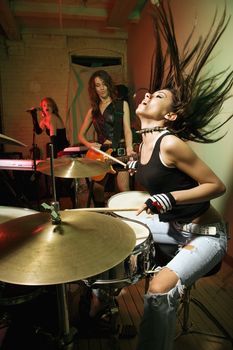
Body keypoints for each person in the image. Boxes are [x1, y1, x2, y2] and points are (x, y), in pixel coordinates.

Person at [125, 2, 233, 350]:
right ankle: (100, 307)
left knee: (159, 288)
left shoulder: (170, 142)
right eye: (149, 93)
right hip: (172, 226)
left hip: (206, 234)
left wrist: (167, 198)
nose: (147, 96)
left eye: (157, 96)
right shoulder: (144, 142)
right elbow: (157, 176)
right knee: (117, 231)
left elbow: (217, 186)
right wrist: (134, 166)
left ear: (169, 116)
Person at [78, 70, 135, 207]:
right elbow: (81, 135)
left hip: (119, 151)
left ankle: (126, 221)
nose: (102, 88)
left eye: (104, 84)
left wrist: (129, 149)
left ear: (109, 85)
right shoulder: (93, 110)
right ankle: (102, 218)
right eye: (98, 85)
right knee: (97, 191)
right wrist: (90, 145)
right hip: (100, 154)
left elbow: (127, 130)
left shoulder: (122, 105)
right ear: (94, 89)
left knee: (123, 190)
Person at [30, 97, 74, 206]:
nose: (46, 107)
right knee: (56, 181)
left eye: (48, 105)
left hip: (62, 151)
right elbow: (38, 131)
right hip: (57, 151)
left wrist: (53, 158)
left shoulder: (53, 117)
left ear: (53, 107)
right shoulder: (45, 119)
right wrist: (33, 115)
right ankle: (57, 204)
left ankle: (73, 202)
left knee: (63, 181)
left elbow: (54, 138)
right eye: (44, 106)